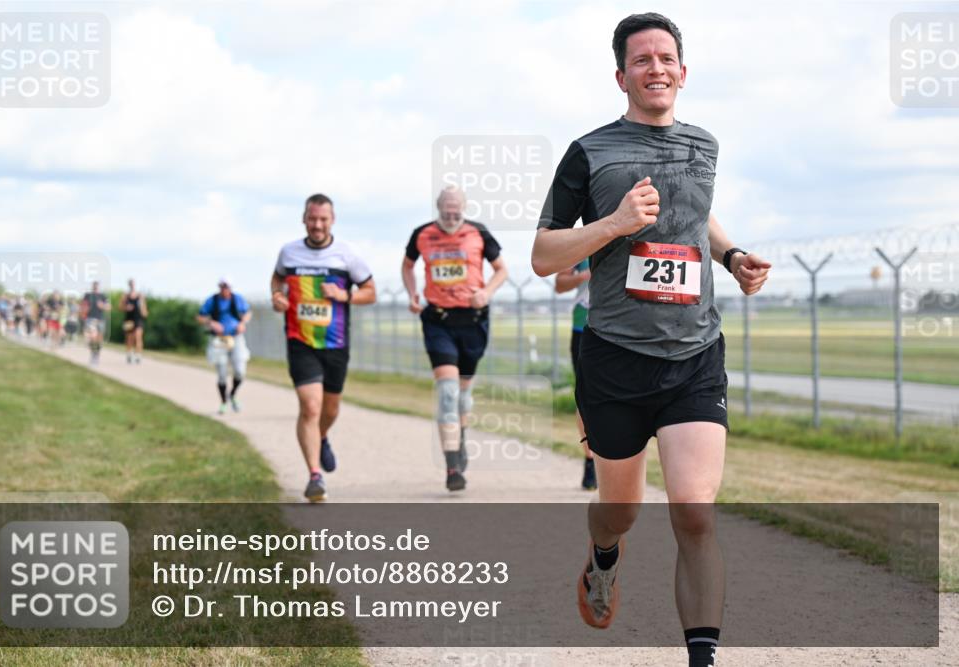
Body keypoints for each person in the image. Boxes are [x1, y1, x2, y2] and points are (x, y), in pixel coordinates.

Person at [531, 13, 771, 667]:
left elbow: (697, 217)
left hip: (694, 353)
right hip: (615, 357)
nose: (656, 68)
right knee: (623, 511)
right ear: (621, 75)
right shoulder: (590, 151)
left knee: (695, 510)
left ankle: (703, 655)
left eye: (666, 58)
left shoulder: (705, 145)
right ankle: (602, 559)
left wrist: (733, 254)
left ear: (683, 73)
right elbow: (543, 254)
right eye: (642, 60)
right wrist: (611, 223)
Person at [402, 186, 508, 492]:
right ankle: (451, 467)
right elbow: (407, 266)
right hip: (439, 321)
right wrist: (412, 293)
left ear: (464, 208)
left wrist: (486, 293)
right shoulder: (421, 234)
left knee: (463, 396)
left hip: (473, 322)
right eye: (446, 210)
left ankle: (459, 437)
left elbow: (501, 269)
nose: (452, 215)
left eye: (457, 210)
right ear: (438, 208)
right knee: (448, 394)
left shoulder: (479, 233)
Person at [271, 193, 376, 503]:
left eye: (323, 219)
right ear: (304, 219)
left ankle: (323, 435)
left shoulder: (347, 254)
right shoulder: (289, 253)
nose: (317, 225)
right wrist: (277, 297)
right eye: (312, 219)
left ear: (332, 221)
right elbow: (277, 280)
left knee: (330, 410)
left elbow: (370, 292)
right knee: (311, 406)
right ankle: (314, 476)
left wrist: (345, 296)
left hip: (335, 343)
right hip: (300, 340)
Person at [554, 259, 597, 490]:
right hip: (584, 328)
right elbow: (559, 284)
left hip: (623, 329)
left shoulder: (632, 236)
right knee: (586, 397)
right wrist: (584, 275)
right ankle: (590, 459)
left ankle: (616, 458)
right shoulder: (583, 242)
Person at [197, 278, 252, 415]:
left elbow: (247, 313)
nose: (224, 289)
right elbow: (200, 317)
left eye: (226, 287)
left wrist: (242, 324)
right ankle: (223, 402)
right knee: (222, 373)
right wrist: (211, 323)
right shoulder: (212, 300)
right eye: (222, 286)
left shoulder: (237, 299)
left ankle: (232, 394)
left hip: (235, 337)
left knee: (240, 370)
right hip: (219, 339)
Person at [120, 279, 149, 364]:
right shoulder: (125, 296)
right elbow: (120, 307)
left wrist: (144, 312)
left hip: (138, 319)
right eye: (131, 284)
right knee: (129, 339)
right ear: (129, 285)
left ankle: (138, 355)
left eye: (133, 284)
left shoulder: (140, 295)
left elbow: (144, 307)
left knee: (138, 337)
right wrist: (126, 308)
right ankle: (129, 354)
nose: (132, 285)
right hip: (128, 320)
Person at [80, 282, 110, 364]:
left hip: (100, 320)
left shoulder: (103, 296)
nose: (95, 287)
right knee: (93, 337)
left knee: (99, 339)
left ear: (99, 287)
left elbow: (109, 307)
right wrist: (84, 310)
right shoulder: (88, 295)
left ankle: (96, 355)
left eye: (97, 286)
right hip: (90, 319)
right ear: (92, 287)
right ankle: (93, 354)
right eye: (94, 286)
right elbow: (82, 306)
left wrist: (102, 306)